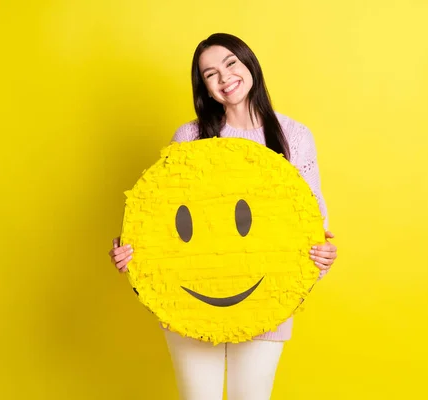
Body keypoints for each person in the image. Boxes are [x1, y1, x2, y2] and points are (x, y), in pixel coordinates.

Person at [108, 33, 338, 400]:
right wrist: (132, 255)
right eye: (209, 73)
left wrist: (321, 256)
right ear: (205, 88)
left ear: (249, 64)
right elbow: (161, 221)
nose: (224, 77)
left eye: (230, 63)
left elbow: (313, 223)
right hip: (191, 303)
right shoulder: (190, 138)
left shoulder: (294, 136)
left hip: (266, 298)